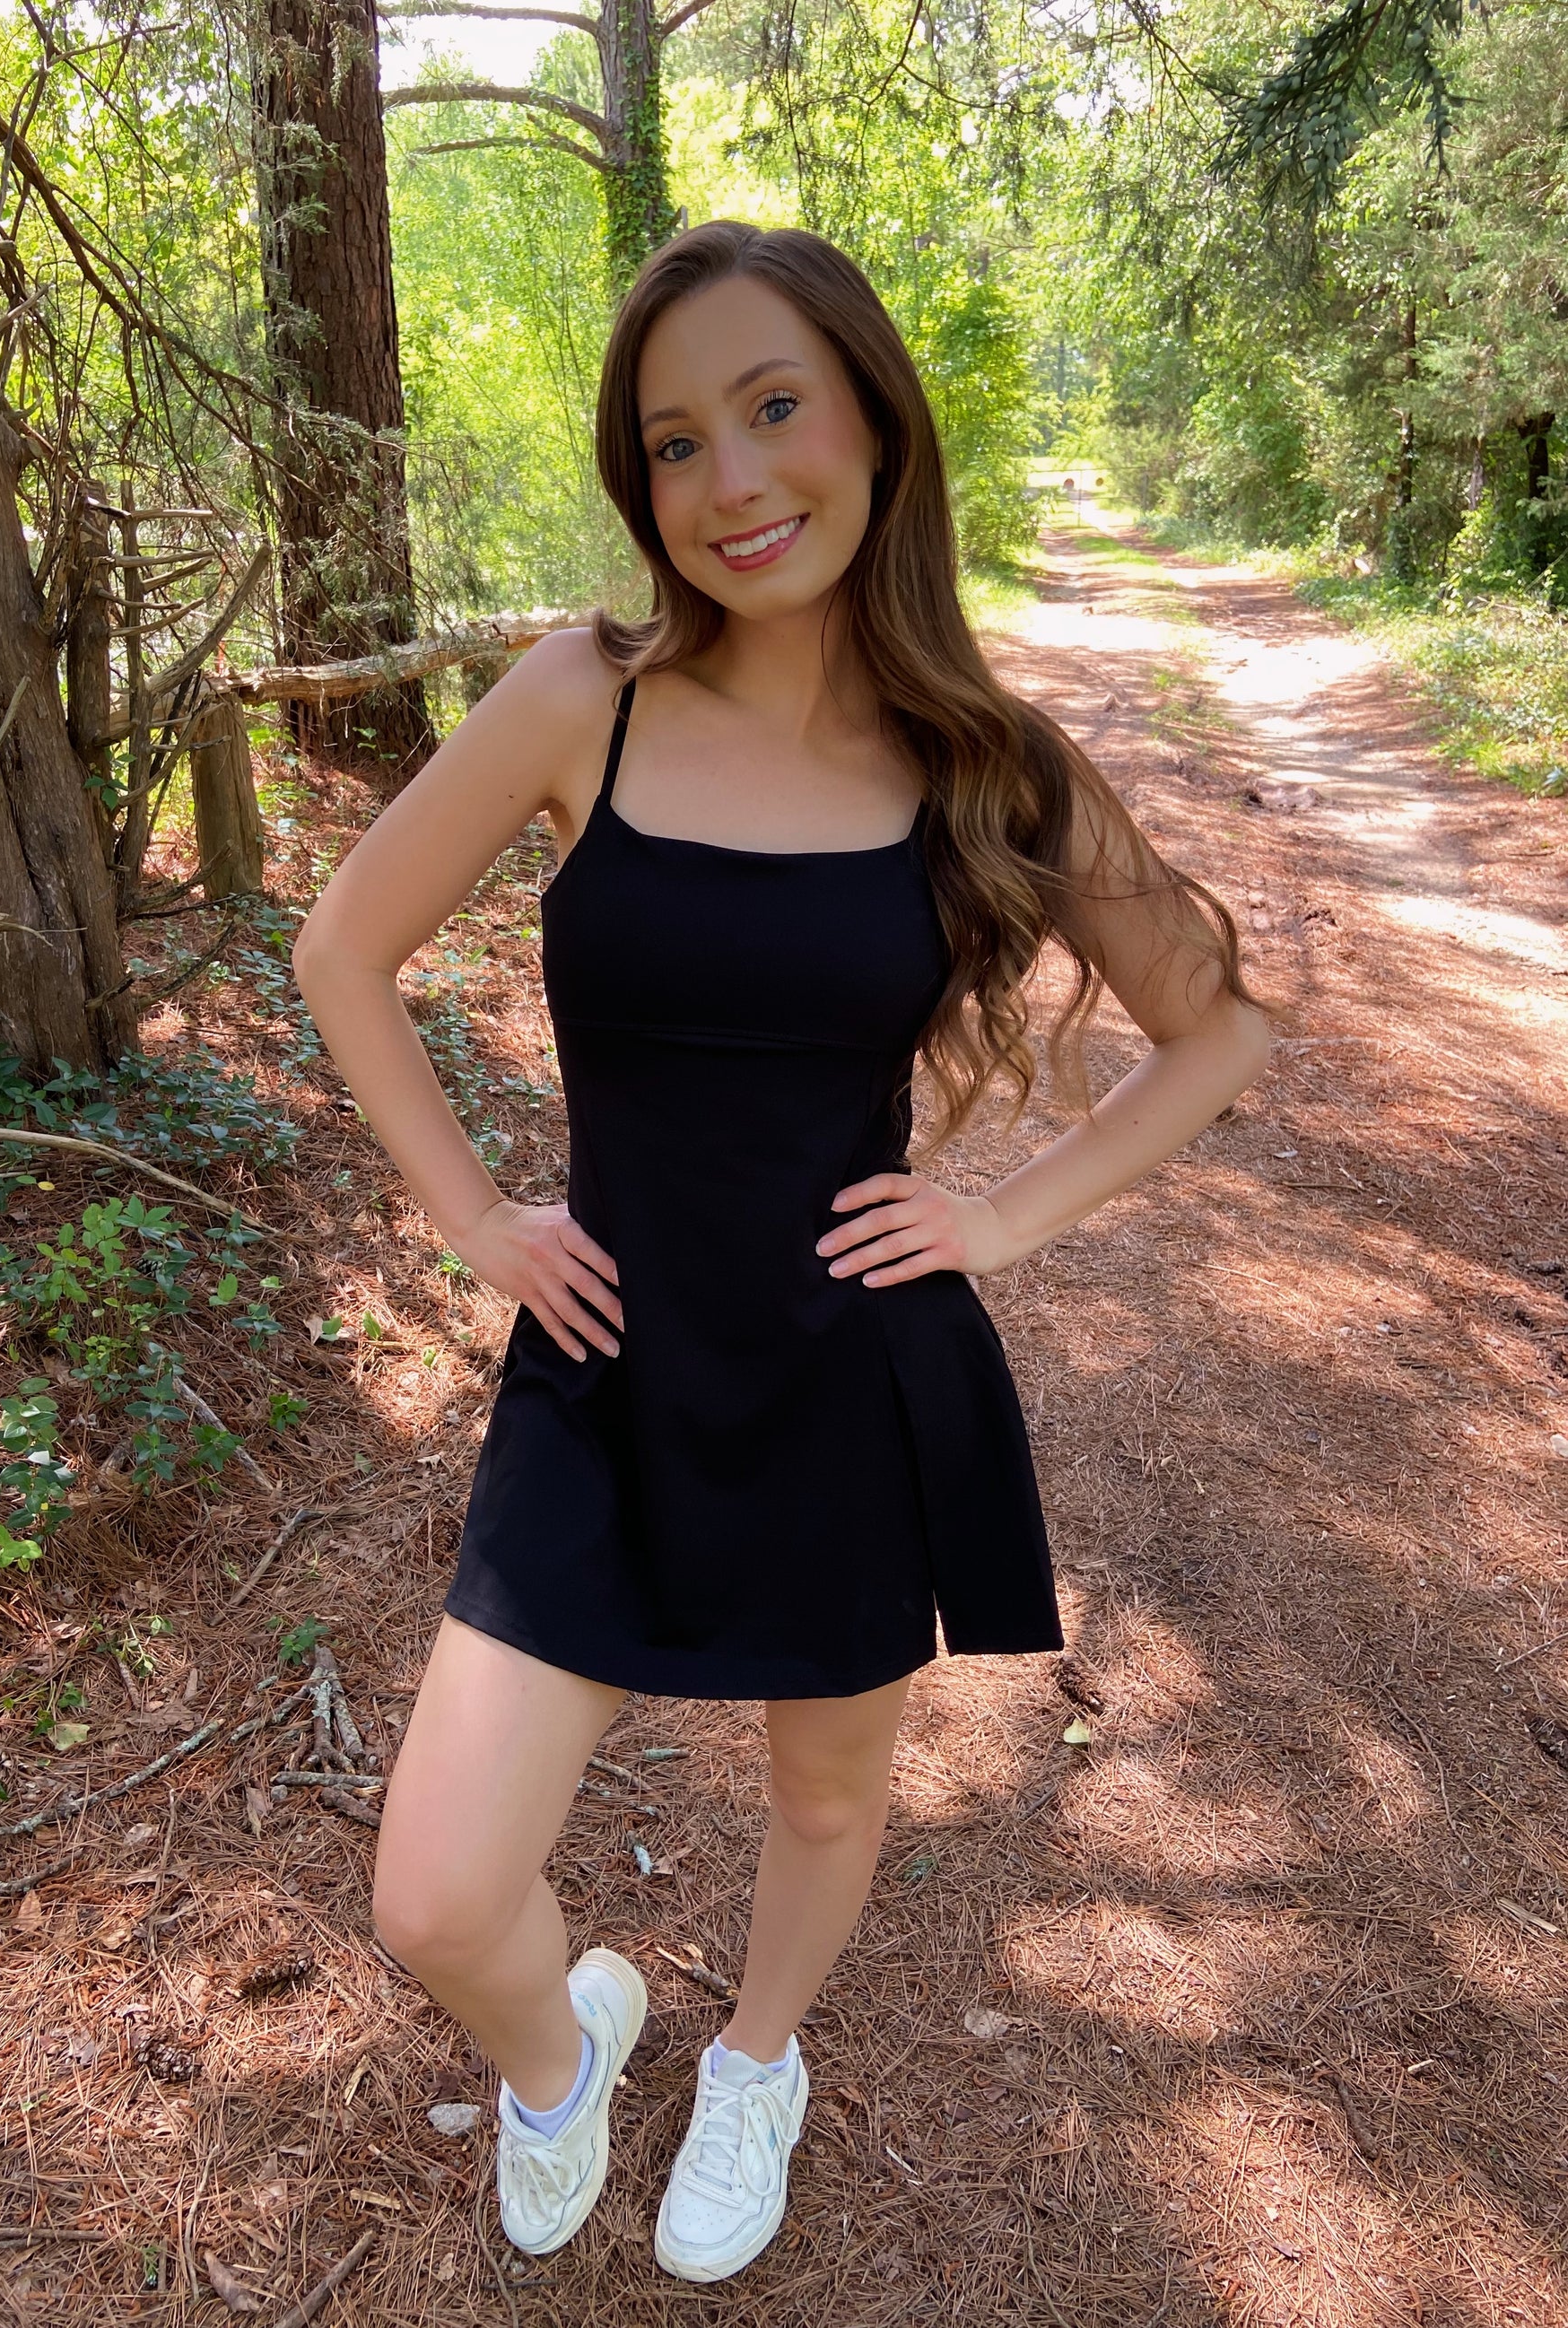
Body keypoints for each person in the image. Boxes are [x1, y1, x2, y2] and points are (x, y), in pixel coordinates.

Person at [292, 219, 1269, 2284]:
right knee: (438, 1891)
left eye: (770, 408)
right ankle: (564, 2049)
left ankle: (754, 2057)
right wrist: (475, 1218)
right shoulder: (583, 701)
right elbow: (343, 948)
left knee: (824, 1798)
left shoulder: (981, 763)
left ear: (873, 425)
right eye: (674, 441)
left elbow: (1215, 1027)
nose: (729, 479)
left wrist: (997, 1214)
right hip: (603, 1366)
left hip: (845, 1376)